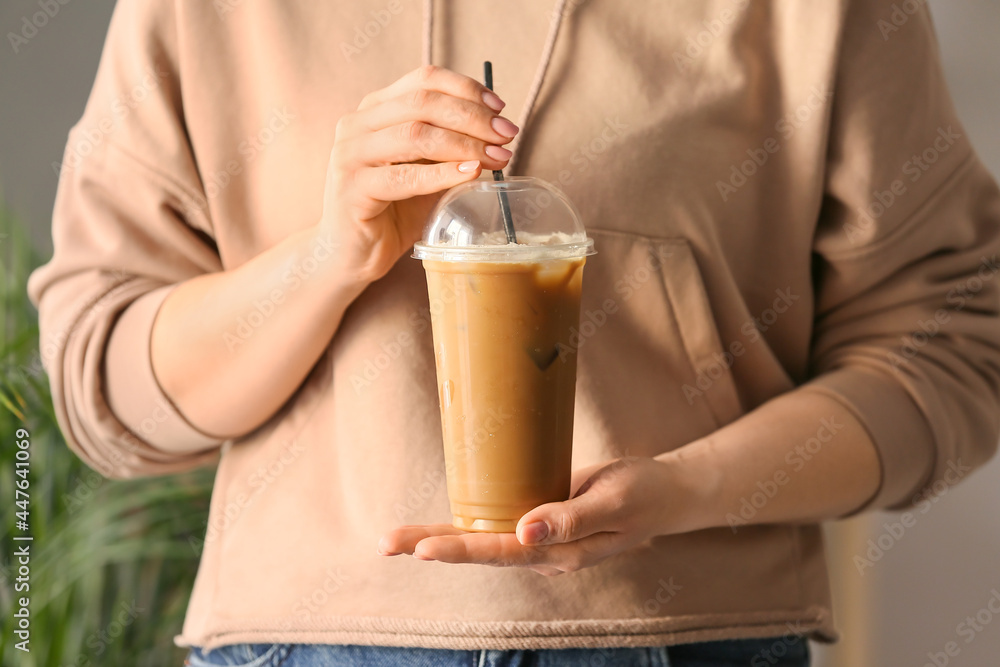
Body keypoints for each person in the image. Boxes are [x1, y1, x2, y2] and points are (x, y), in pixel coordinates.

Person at [26, 0, 1000, 665]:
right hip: (300, 639)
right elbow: (102, 378)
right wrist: (328, 258)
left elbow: (954, 339)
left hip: (695, 636)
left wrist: (688, 488)